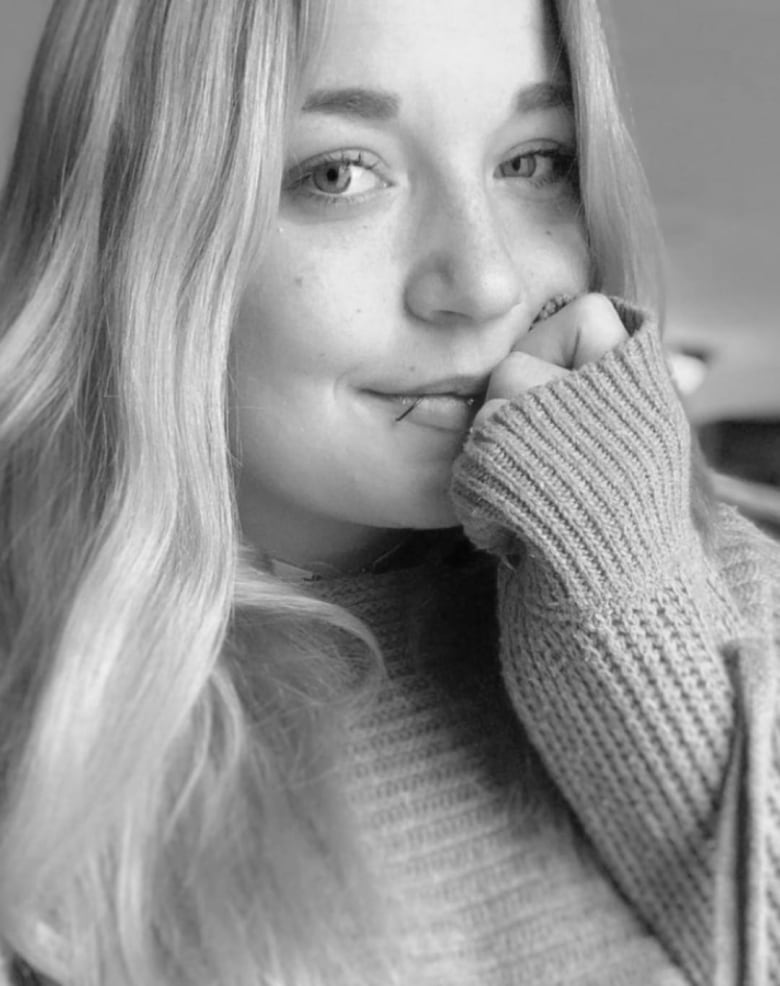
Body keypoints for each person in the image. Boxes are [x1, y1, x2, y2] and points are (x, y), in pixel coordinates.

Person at [0, 0, 777, 983]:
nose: (487, 281)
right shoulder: (39, 713)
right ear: (134, 221)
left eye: (532, 159)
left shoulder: (728, 585)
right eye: (339, 174)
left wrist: (631, 588)